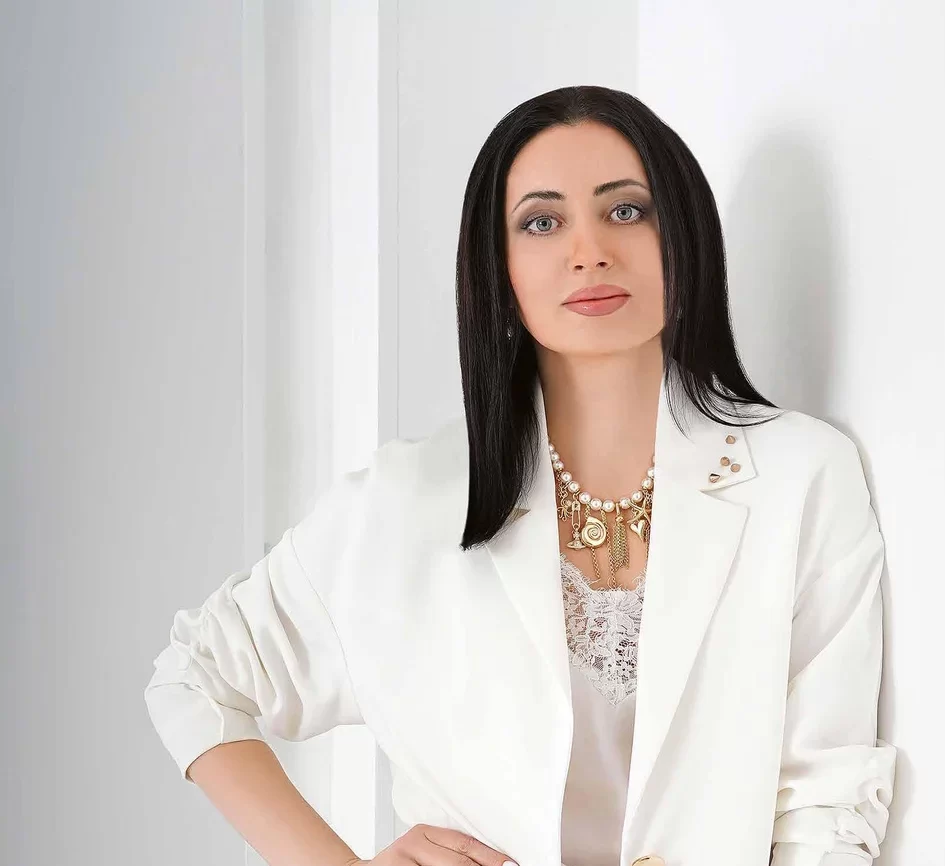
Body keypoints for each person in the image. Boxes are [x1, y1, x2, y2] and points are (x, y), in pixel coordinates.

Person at [144, 85, 897, 866]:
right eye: (541, 222)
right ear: (496, 267)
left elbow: (825, 800)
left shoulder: (800, 476)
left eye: (626, 210)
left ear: (683, 233)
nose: (589, 251)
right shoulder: (404, 502)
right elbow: (194, 676)